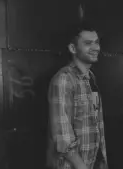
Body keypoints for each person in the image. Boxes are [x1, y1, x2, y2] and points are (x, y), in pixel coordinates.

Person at [46, 21, 108, 169]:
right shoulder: (64, 79)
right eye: (88, 43)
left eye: (96, 42)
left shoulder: (91, 77)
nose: (96, 48)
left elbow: (96, 124)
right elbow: (63, 136)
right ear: (73, 48)